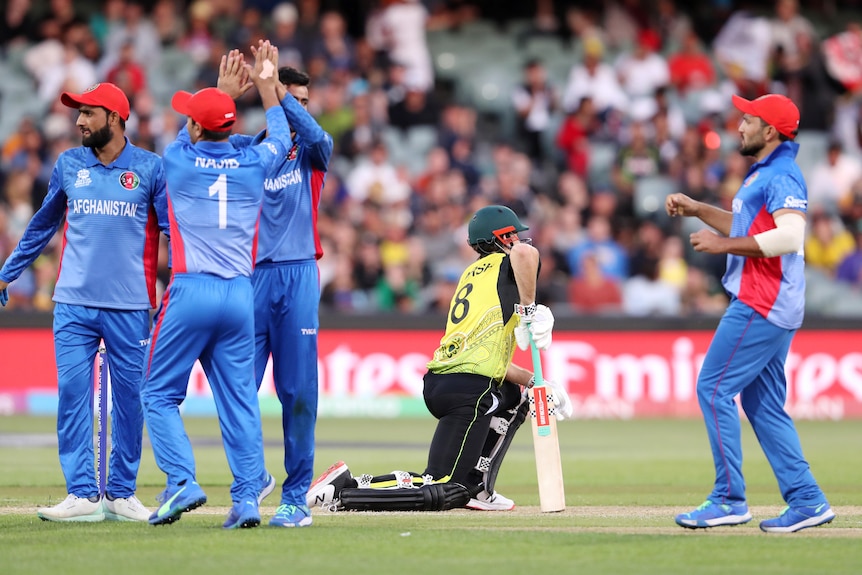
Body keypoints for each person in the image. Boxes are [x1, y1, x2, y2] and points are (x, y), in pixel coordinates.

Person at [303, 205, 572, 512]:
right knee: (443, 486)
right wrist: (529, 308)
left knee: (514, 397)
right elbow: (526, 255)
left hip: (450, 381)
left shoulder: (474, 275)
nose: (519, 241)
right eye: (513, 235)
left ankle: (478, 488)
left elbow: (490, 361)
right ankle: (348, 488)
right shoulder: (509, 262)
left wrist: (539, 381)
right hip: (469, 388)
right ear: (501, 238)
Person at [140, 41, 293, 529]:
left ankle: (182, 480)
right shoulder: (253, 163)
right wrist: (266, 90)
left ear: (195, 127)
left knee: (157, 394)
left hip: (191, 291)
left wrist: (222, 92)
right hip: (238, 296)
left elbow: (186, 139)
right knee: (239, 400)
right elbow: (280, 135)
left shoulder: (178, 158)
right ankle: (247, 498)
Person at [0, 82, 169, 522]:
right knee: (74, 396)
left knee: (129, 400)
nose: (79, 121)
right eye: (78, 113)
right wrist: (7, 271)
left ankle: (119, 493)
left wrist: (188, 285)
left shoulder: (151, 169)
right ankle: (82, 495)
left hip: (131, 306)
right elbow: (42, 225)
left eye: (88, 113)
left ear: (114, 118)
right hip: (73, 303)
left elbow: (174, 232)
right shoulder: (68, 164)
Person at [666, 93, 835, 533]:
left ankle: (727, 499)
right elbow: (751, 229)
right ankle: (807, 499)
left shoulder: (781, 175)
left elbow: (790, 238)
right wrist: (700, 210)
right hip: (773, 302)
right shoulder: (767, 173)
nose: (739, 126)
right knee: (764, 406)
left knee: (713, 388)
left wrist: (721, 246)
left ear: (770, 130)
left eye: (747, 119)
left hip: (762, 301)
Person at [217, 50, 334, 527]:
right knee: (238, 388)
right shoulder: (248, 153)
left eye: (304, 100)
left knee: (298, 392)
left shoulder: (312, 152)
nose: (299, 108)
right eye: (292, 98)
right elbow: (198, 144)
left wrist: (277, 92)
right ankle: (249, 484)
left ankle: (295, 498)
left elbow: (316, 133)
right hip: (251, 280)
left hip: (299, 274)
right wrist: (227, 94)